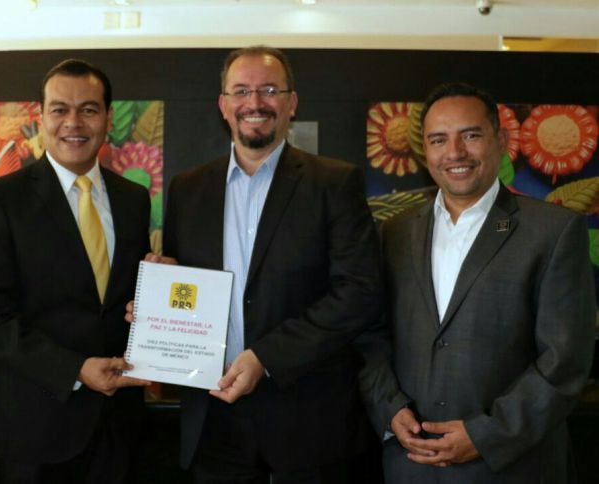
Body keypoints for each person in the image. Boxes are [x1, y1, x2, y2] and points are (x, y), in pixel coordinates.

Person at [156, 45, 381, 483]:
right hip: (214, 420)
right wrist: (157, 295)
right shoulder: (187, 190)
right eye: (241, 91)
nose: (254, 102)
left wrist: (266, 357)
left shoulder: (334, 183)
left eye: (269, 90)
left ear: (291, 103)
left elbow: (359, 293)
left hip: (307, 420)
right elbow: (186, 292)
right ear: (223, 105)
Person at [359, 82, 595, 483]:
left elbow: (565, 361)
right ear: (425, 150)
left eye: (470, 135)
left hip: (510, 467)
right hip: (411, 465)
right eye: (439, 139)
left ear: (500, 141)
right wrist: (389, 408)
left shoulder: (553, 231)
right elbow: (371, 334)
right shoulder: (394, 232)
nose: (455, 153)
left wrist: (487, 435)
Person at [0, 59, 151, 484]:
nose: (73, 123)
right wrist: (75, 368)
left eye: (88, 109)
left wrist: (158, 287)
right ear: (41, 117)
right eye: (60, 109)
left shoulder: (134, 199)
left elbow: (126, 301)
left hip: (117, 427)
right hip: (34, 426)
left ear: (108, 118)